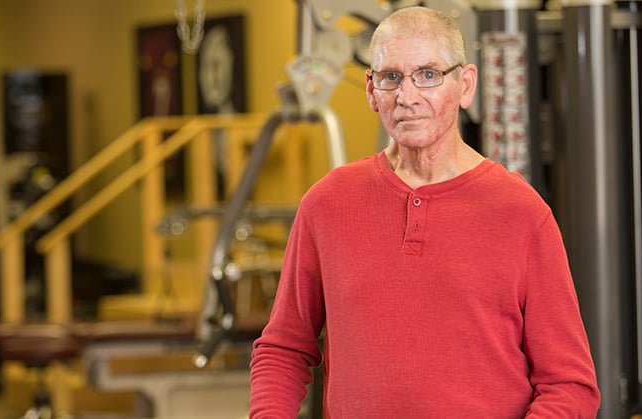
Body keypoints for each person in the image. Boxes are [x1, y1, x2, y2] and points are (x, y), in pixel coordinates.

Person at [248, 6, 600, 418]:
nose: (407, 96)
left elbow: (569, 385)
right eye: (391, 77)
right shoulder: (326, 203)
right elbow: (282, 350)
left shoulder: (523, 214)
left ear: (465, 85)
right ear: (370, 90)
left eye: (428, 75)